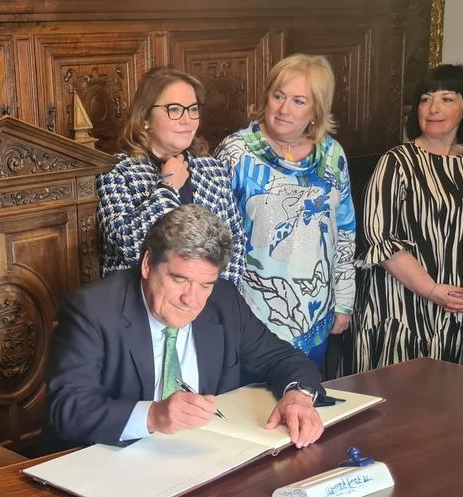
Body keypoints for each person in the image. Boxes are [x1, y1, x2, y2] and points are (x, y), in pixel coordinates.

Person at [46, 204, 326, 451]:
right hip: (109, 466)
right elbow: (68, 409)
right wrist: (153, 416)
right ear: (147, 264)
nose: (191, 299)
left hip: (206, 457)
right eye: (179, 279)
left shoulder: (223, 300)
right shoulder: (93, 309)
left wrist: (298, 396)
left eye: (205, 285)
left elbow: (282, 358)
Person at [354, 64, 463, 372]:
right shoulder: (395, 163)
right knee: (402, 410)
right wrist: (432, 290)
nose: (433, 108)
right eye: (425, 99)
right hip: (403, 313)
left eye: (447, 99)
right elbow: (380, 240)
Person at [215, 54, 356, 369]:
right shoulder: (236, 152)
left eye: (298, 100)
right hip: (250, 316)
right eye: (278, 96)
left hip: (315, 313)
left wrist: (344, 301)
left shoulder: (332, 154)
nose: (283, 108)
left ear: (315, 110)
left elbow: (345, 232)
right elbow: (216, 238)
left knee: (305, 405)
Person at [96, 66, 246, 288]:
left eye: (193, 109)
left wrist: (214, 301)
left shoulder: (213, 169)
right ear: (145, 117)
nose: (187, 120)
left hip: (208, 306)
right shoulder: (118, 171)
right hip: (140, 309)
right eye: (174, 109)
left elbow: (234, 245)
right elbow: (128, 245)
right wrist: (167, 187)